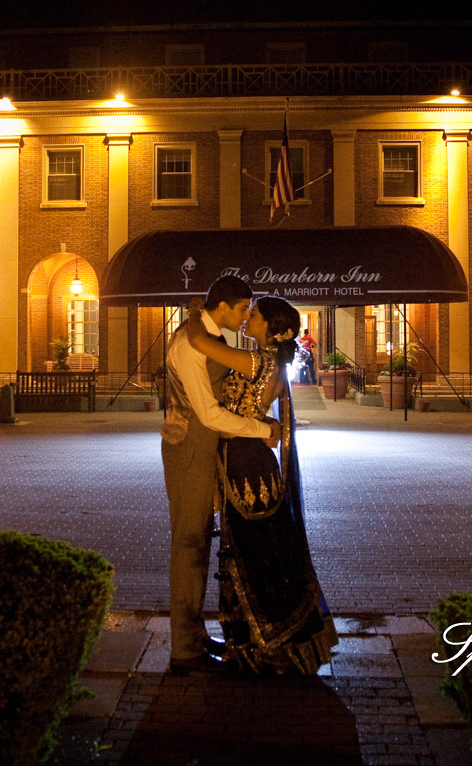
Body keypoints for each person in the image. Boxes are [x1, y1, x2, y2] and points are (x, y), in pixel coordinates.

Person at [190, 296, 338, 675]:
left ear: (272, 328)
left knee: (255, 553)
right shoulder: (269, 360)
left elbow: (202, 344)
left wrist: (197, 316)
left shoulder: (260, 360)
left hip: (246, 462)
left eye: (252, 315)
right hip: (247, 456)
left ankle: (271, 643)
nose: (246, 319)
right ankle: (257, 640)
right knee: (252, 550)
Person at [160, 275, 280, 675]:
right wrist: (265, 430)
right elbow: (208, 414)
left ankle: (193, 634)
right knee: (190, 544)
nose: (246, 317)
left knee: (200, 545)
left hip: (205, 449)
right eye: (243, 309)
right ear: (224, 307)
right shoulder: (189, 345)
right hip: (189, 449)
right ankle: (184, 648)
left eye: (252, 312)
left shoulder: (206, 337)